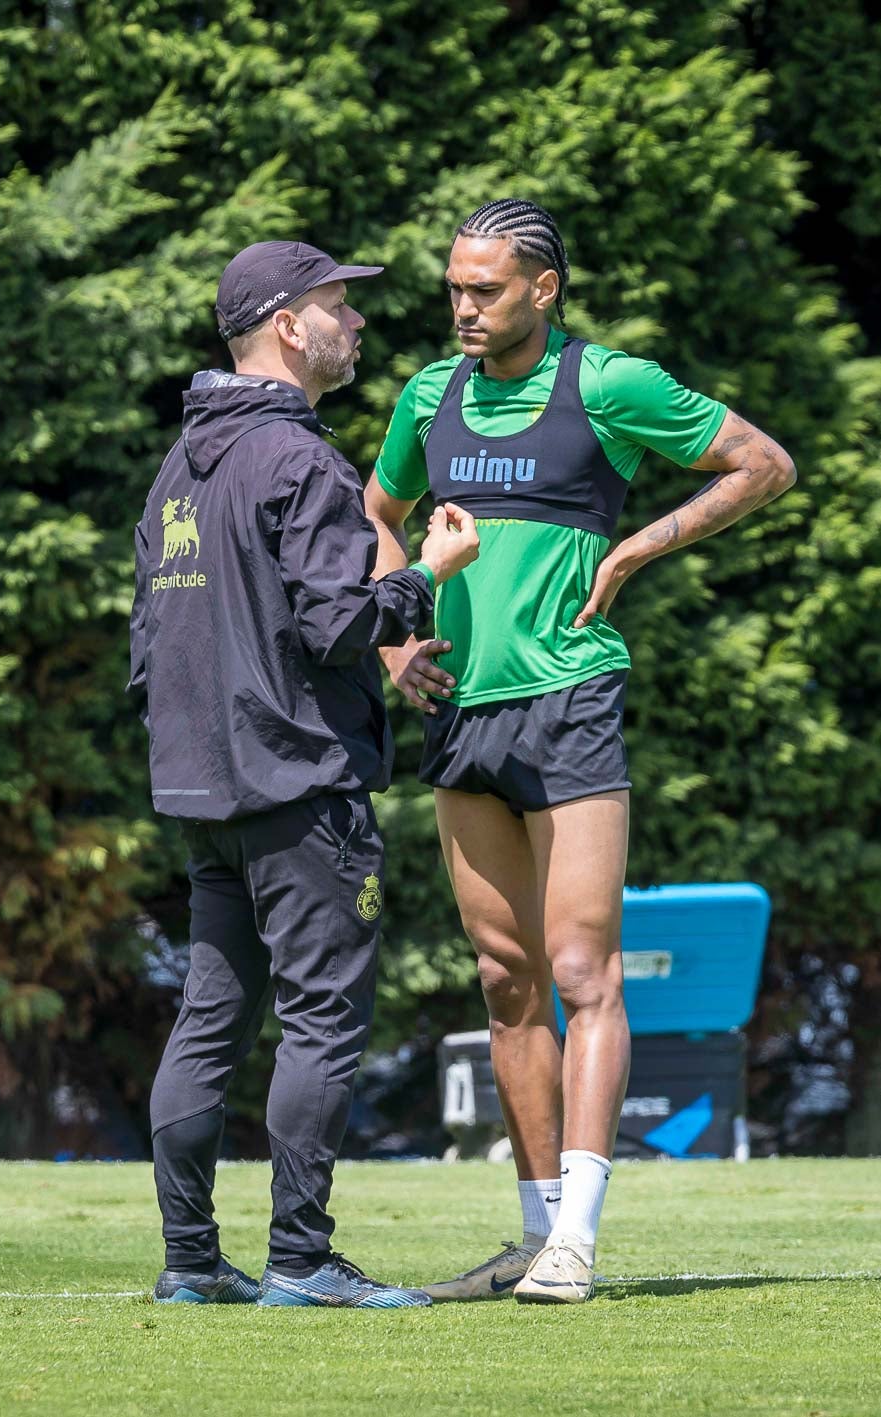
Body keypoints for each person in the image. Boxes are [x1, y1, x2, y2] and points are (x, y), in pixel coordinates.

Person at [364, 198, 796, 1304]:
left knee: (581, 971)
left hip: (569, 700)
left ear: (542, 289)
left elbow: (761, 465)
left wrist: (640, 548)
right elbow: (379, 512)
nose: (463, 306)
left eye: (485, 288)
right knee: (506, 980)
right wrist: (399, 638)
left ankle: (580, 1241)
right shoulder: (428, 395)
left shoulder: (607, 384)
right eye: (455, 286)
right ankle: (532, 1230)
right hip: (460, 713)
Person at [128, 239, 478, 1309]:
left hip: (207, 794)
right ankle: (300, 1258)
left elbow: (154, 646)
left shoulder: (182, 465)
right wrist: (427, 574)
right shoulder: (301, 461)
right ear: (289, 324)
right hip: (299, 788)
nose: (355, 322)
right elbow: (334, 619)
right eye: (338, 305)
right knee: (323, 1020)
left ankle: (192, 1262)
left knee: (209, 1020)